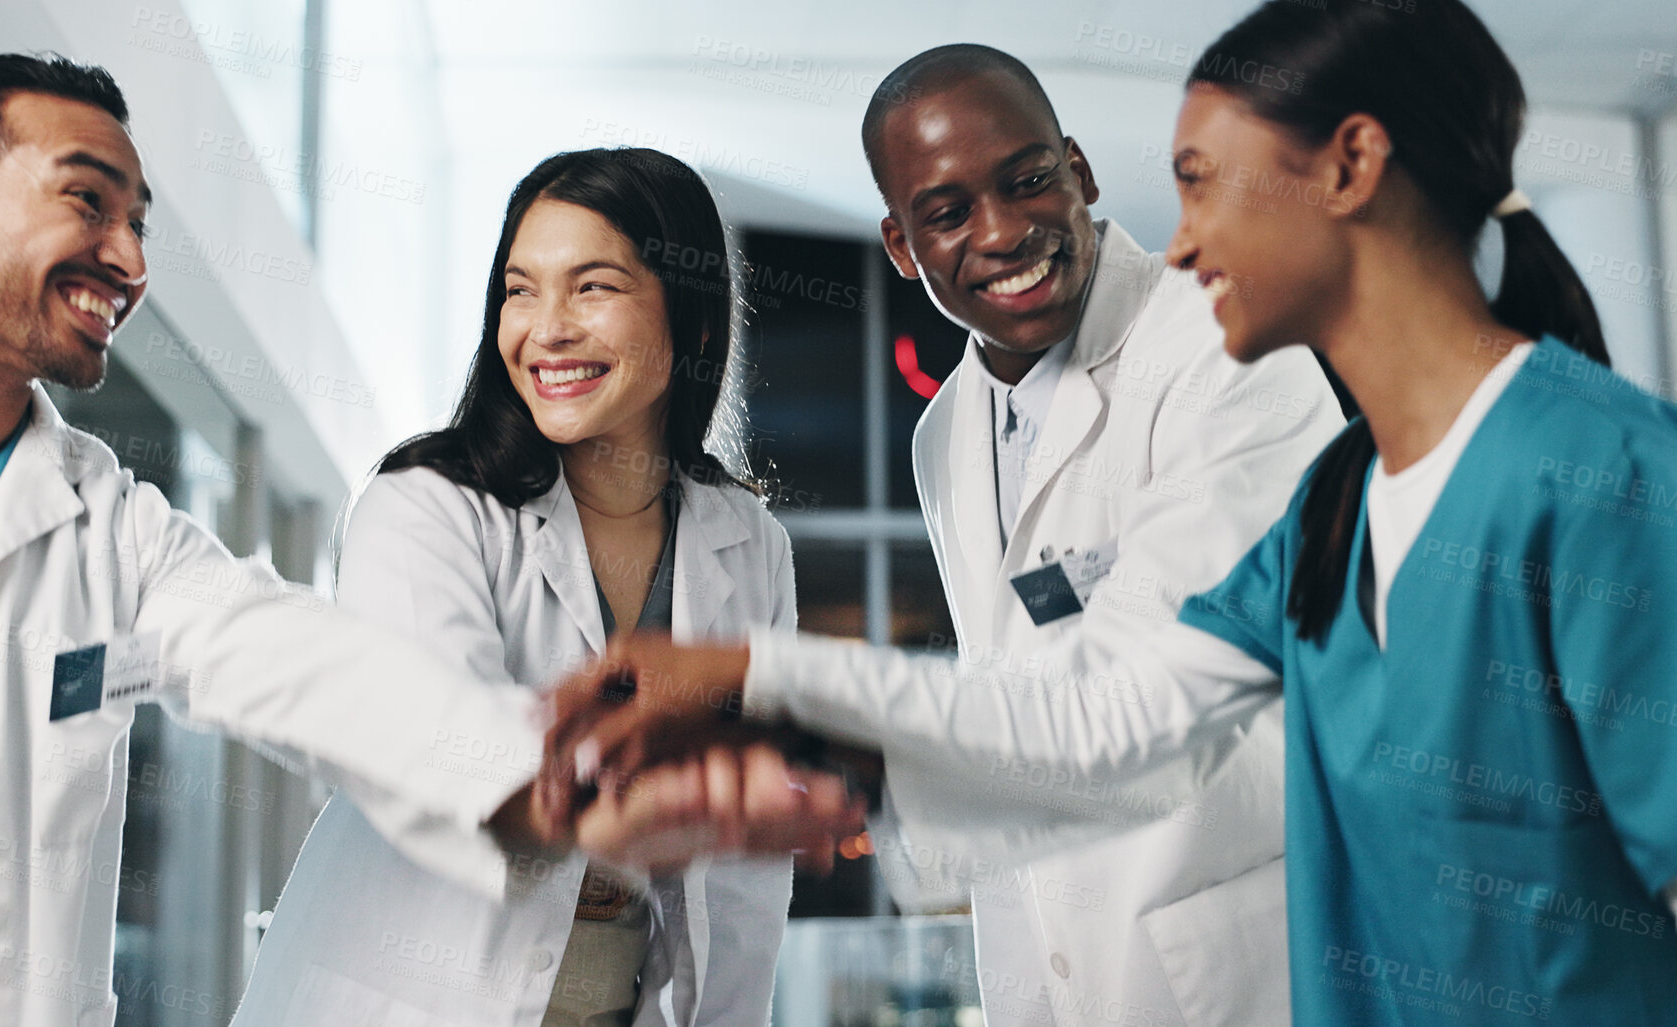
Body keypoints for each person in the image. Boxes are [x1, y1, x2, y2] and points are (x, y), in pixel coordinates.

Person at [548, 2, 1677, 1023]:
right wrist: (802, 735)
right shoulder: (1340, 503)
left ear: (1351, 171)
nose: (1179, 241)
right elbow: (1116, 716)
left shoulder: (1592, 473)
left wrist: (775, 690)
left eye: (1204, 184)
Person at [0, 55, 855, 1027]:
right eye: (88, 204)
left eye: (139, 222)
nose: (129, 259)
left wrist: (557, 787)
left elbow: (328, 680)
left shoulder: (111, 535)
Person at [232, 147, 837, 1027]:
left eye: (592, 287)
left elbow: (742, 880)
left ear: (694, 322)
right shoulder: (424, 508)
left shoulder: (747, 543)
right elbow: (441, 749)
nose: (545, 328)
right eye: (520, 289)